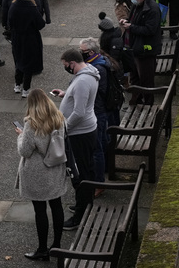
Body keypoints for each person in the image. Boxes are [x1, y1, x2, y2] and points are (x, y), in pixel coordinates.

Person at [14, 89, 67, 261]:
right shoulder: (59, 117)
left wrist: (21, 136)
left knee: (40, 210)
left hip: (38, 172)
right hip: (56, 168)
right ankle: (57, 245)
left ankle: (42, 249)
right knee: (57, 206)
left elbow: (25, 151)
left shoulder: (31, 124)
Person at [51, 49, 99, 231]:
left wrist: (64, 128)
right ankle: (85, 204)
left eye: (66, 66)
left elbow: (79, 112)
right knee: (86, 169)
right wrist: (66, 94)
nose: (66, 69)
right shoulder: (87, 74)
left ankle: (80, 215)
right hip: (85, 130)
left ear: (72, 63)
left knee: (80, 174)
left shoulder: (83, 81)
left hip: (80, 133)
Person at [79, 38, 111, 197]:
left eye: (82, 51)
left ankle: (99, 183)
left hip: (97, 111)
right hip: (101, 109)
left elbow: (97, 92)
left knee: (97, 147)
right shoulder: (102, 61)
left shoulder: (98, 68)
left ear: (91, 52)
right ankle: (104, 170)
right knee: (102, 142)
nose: (80, 53)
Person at [120, 0, 162, 105]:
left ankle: (149, 105)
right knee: (135, 78)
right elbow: (133, 20)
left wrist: (131, 27)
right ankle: (137, 100)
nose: (131, 0)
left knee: (146, 80)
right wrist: (127, 21)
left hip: (146, 51)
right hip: (135, 48)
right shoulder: (137, 4)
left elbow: (150, 30)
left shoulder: (152, 9)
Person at [8, 0, 45, 97]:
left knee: (18, 61)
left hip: (17, 38)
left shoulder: (13, 6)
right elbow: (40, 24)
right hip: (30, 39)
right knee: (28, 63)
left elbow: (9, 22)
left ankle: (17, 84)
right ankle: (26, 89)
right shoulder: (31, 8)